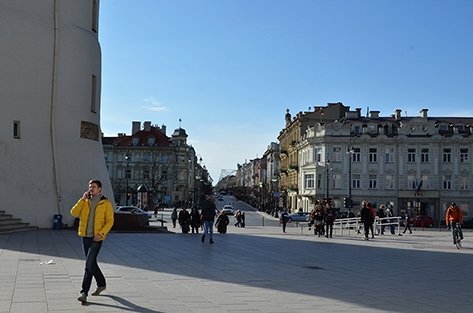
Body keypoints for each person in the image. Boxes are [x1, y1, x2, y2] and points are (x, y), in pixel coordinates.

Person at [70, 179, 114, 303]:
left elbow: (110, 221)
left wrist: (101, 234)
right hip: (85, 236)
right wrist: (82, 200)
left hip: (97, 238)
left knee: (88, 264)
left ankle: (84, 293)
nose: (91, 188)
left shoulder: (106, 203)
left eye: (93, 187)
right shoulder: (85, 201)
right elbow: (73, 212)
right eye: (90, 186)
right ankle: (101, 284)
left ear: (99, 189)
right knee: (91, 263)